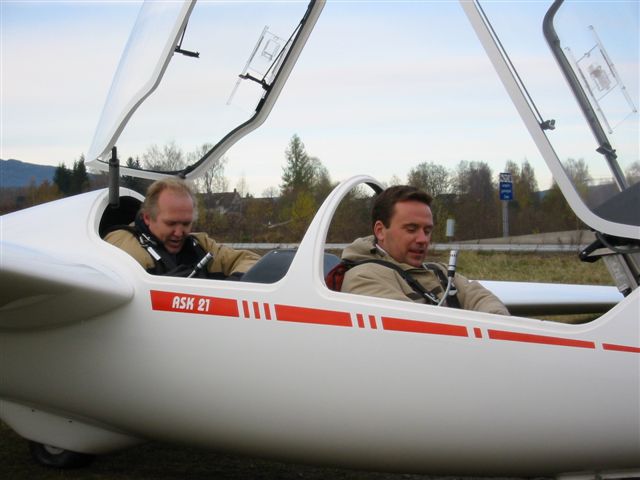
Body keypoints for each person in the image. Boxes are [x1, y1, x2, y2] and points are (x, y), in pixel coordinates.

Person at [340, 185, 509, 315]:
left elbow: (482, 299)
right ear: (380, 231)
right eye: (411, 229)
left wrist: (497, 328)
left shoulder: (441, 272)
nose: (423, 239)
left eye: (427, 231)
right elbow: (415, 331)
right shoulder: (363, 278)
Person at [105, 178, 260, 279]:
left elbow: (251, 261)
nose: (179, 233)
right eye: (171, 224)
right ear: (147, 218)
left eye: (186, 224)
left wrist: (235, 283)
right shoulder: (122, 245)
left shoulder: (200, 245)